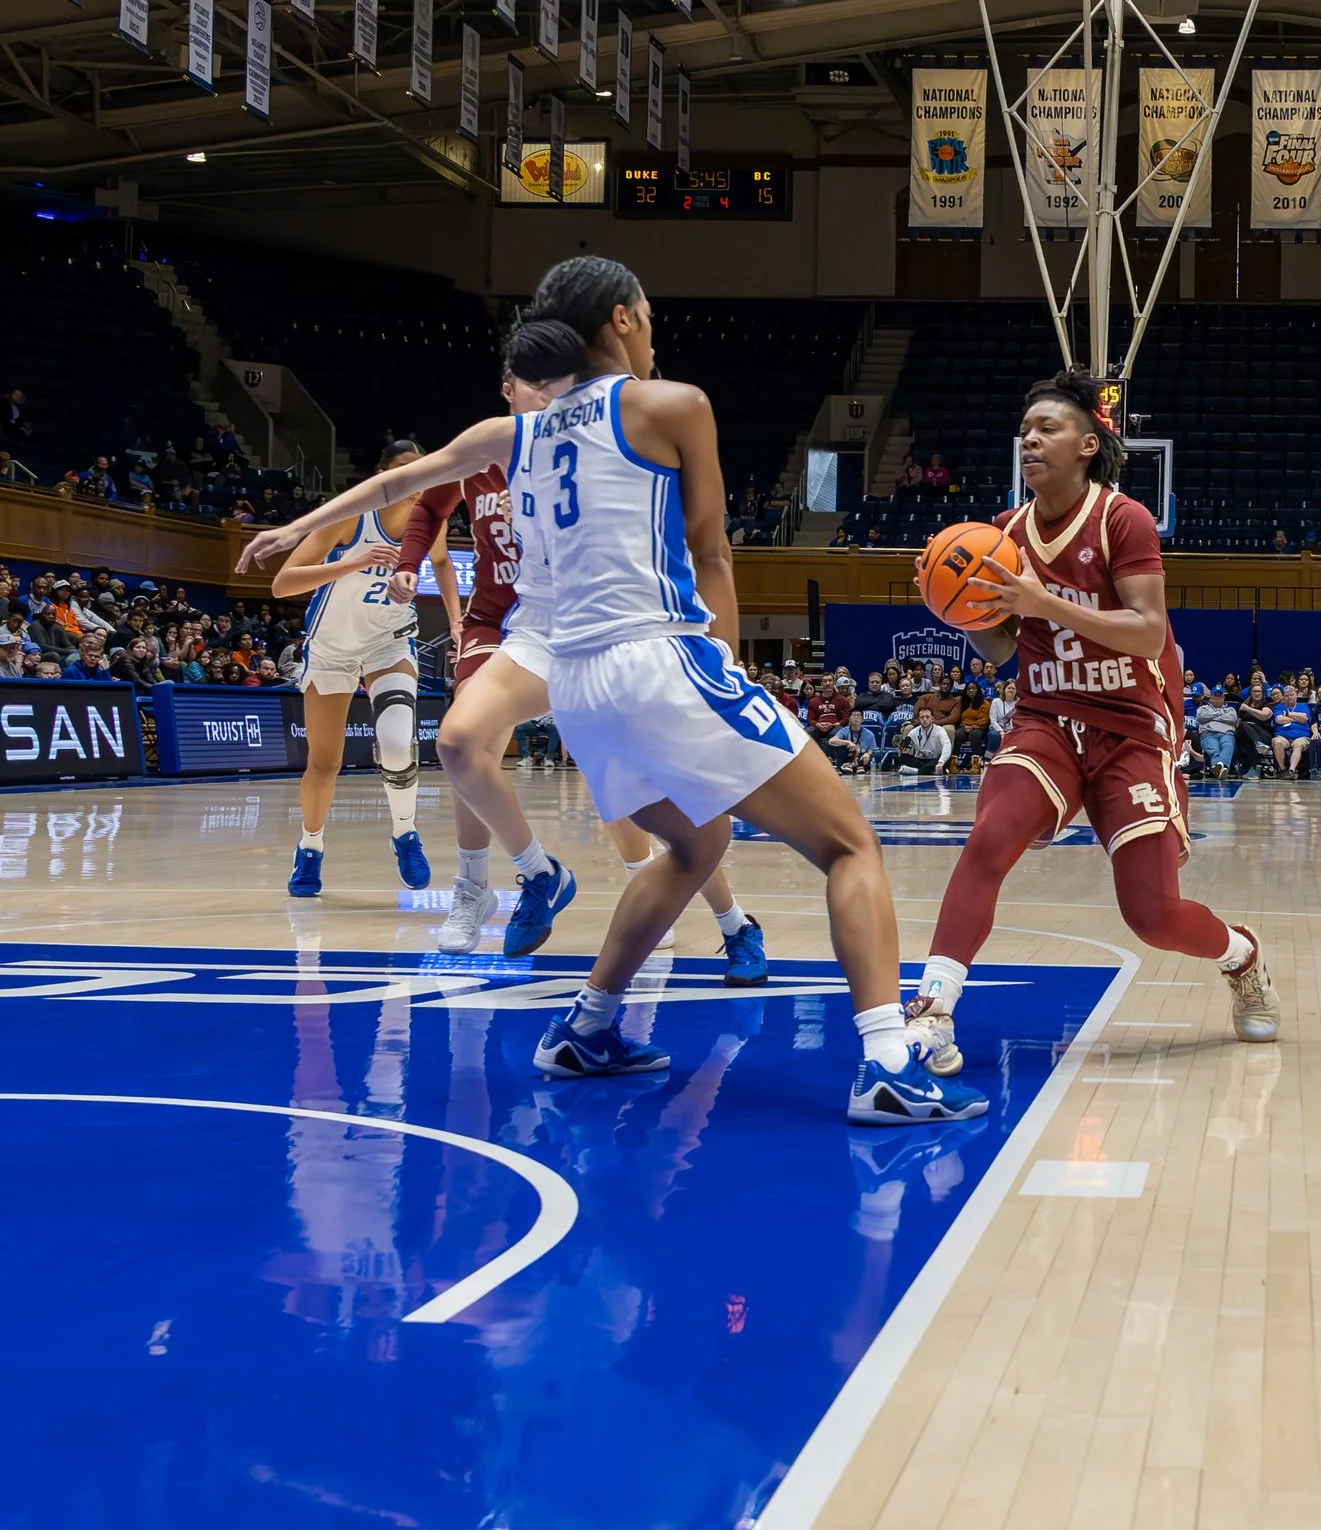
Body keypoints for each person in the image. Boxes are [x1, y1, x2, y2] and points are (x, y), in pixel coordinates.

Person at [240, 258, 966, 1123]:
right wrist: (730, 667)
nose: (653, 330)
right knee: (850, 845)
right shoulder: (673, 405)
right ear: (621, 319)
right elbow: (711, 552)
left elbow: (402, 479)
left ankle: (587, 1028)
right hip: (656, 658)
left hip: (576, 687)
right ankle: (888, 1061)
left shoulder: (515, 432)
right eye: (647, 315)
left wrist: (296, 525)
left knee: (694, 846)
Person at [902, 368, 1280, 1068]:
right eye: (1024, 430)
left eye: (1047, 428)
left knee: (1152, 917)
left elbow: (1148, 630)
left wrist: (1042, 603)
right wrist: (957, 609)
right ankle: (933, 1009)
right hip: (1045, 718)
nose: (1030, 439)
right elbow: (1002, 648)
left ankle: (1241, 955)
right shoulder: (1002, 533)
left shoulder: (1121, 519)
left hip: (1130, 727)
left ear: (1087, 444)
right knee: (989, 838)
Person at [385, 369, 766, 971]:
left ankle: (724, 917)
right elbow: (423, 502)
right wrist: (407, 563)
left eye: (555, 381)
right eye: (530, 381)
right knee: (463, 739)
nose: (545, 393)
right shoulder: (484, 448)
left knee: (633, 786)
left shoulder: (582, 450)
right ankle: (485, 882)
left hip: (585, 626)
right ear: (507, 387)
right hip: (501, 623)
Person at [266, 438, 442, 899]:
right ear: (383, 475)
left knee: (398, 742)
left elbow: (443, 562)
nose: (415, 477)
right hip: (332, 647)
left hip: (389, 641)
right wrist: (353, 563)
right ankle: (310, 847)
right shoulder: (349, 516)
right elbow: (282, 584)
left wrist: (459, 620)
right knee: (325, 762)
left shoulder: (431, 521)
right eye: (405, 468)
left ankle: (405, 833)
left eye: (422, 469)